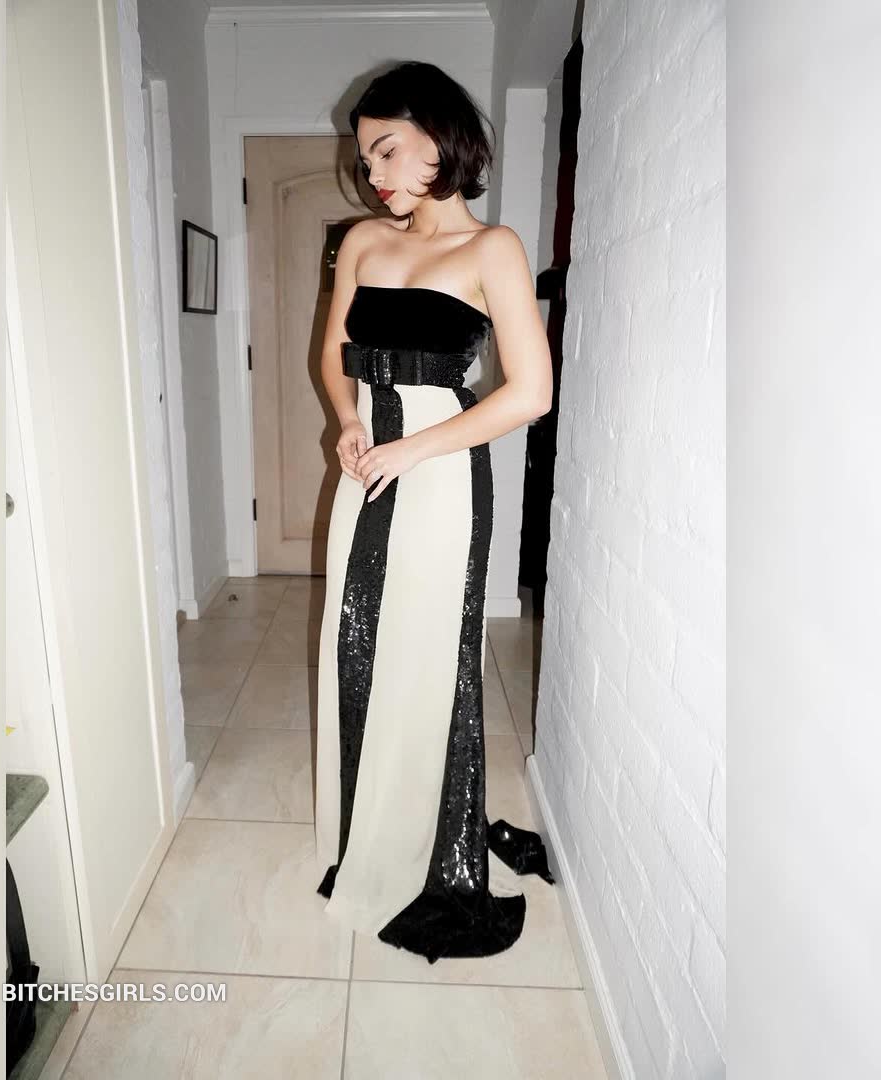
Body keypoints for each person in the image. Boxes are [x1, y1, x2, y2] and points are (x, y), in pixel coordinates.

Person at [313, 60, 555, 964]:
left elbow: (530, 392)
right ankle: (365, 830)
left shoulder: (494, 250)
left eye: (387, 148)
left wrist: (412, 449)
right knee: (356, 638)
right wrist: (347, 422)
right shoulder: (363, 241)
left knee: (426, 653)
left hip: (442, 475)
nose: (373, 171)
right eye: (365, 154)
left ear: (440, 135)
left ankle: (427, 849)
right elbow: (334, 353)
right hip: (364, 471)